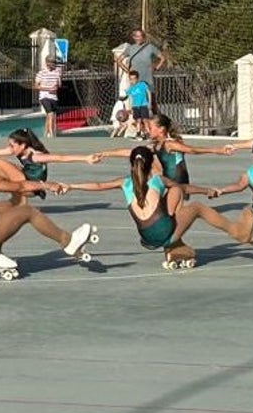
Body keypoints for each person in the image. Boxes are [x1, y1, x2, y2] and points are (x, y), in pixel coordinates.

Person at [67, 146, 223, 269]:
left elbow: (98, 185)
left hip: (146, 238)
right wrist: (206, 190)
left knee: (167, 203)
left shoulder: (125, 183)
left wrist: (70, 185)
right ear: (151, 164)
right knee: (177, 192)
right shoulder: (157, 180)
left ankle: (172, 249)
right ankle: (173, 245)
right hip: (164, 230)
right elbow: (184, 188)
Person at [96, 112, 235, 187]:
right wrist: (106, 153)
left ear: (161, 129)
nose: (147, 130)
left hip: (178, 183)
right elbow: (131, 152)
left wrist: (218, 150)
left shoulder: (170, 144)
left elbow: (192, 150)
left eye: (150, 128)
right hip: (167, 182)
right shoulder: (154, 145)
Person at [0, 128, 99, 206]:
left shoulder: (36, 156)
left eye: (12, 145)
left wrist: (86, 158)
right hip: (25, 181)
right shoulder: (17, 150)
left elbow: (61, 158)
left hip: (32, 187)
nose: (9, 148)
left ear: (23, 145)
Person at [116, 28, 165, 111]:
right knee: (136, 103)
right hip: (135, 80)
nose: (138, 38)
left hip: (147, 79)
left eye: (140, 36)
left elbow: (162, 58)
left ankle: (153, 120)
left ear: (144, 37)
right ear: (134, 37)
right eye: (136, 36)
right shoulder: (130, 48)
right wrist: (127, 71)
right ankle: (138, 121)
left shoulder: (150, 47)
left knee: (151, 102)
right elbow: (119, 61)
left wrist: (156, 68)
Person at [34, 56, 63, 137]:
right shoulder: (41, 73)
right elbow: (36, 86)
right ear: (47, 63)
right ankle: (51, 134)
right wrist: (48, 88)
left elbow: (59, 85)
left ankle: (45, 134)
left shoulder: (57, 72)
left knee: (49, 116)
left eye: (54, 63)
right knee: (50, 113)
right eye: (52, 62)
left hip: (53, 97)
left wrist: (60, 77)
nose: (54, 64)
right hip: (44, 96)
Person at [120, 70, 153, 139]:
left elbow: (148, 93)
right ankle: (139, 133)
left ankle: (149, 134)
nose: (133, 81)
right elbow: (129, 98)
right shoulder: (130, 89)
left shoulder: (142, 84)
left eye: (134, 79)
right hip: (135, 106)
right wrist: (130, 107)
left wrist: (149, 103)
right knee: (138, 120)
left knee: (145, 120)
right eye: (131, 79)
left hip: (143, 105)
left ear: (137, 79)